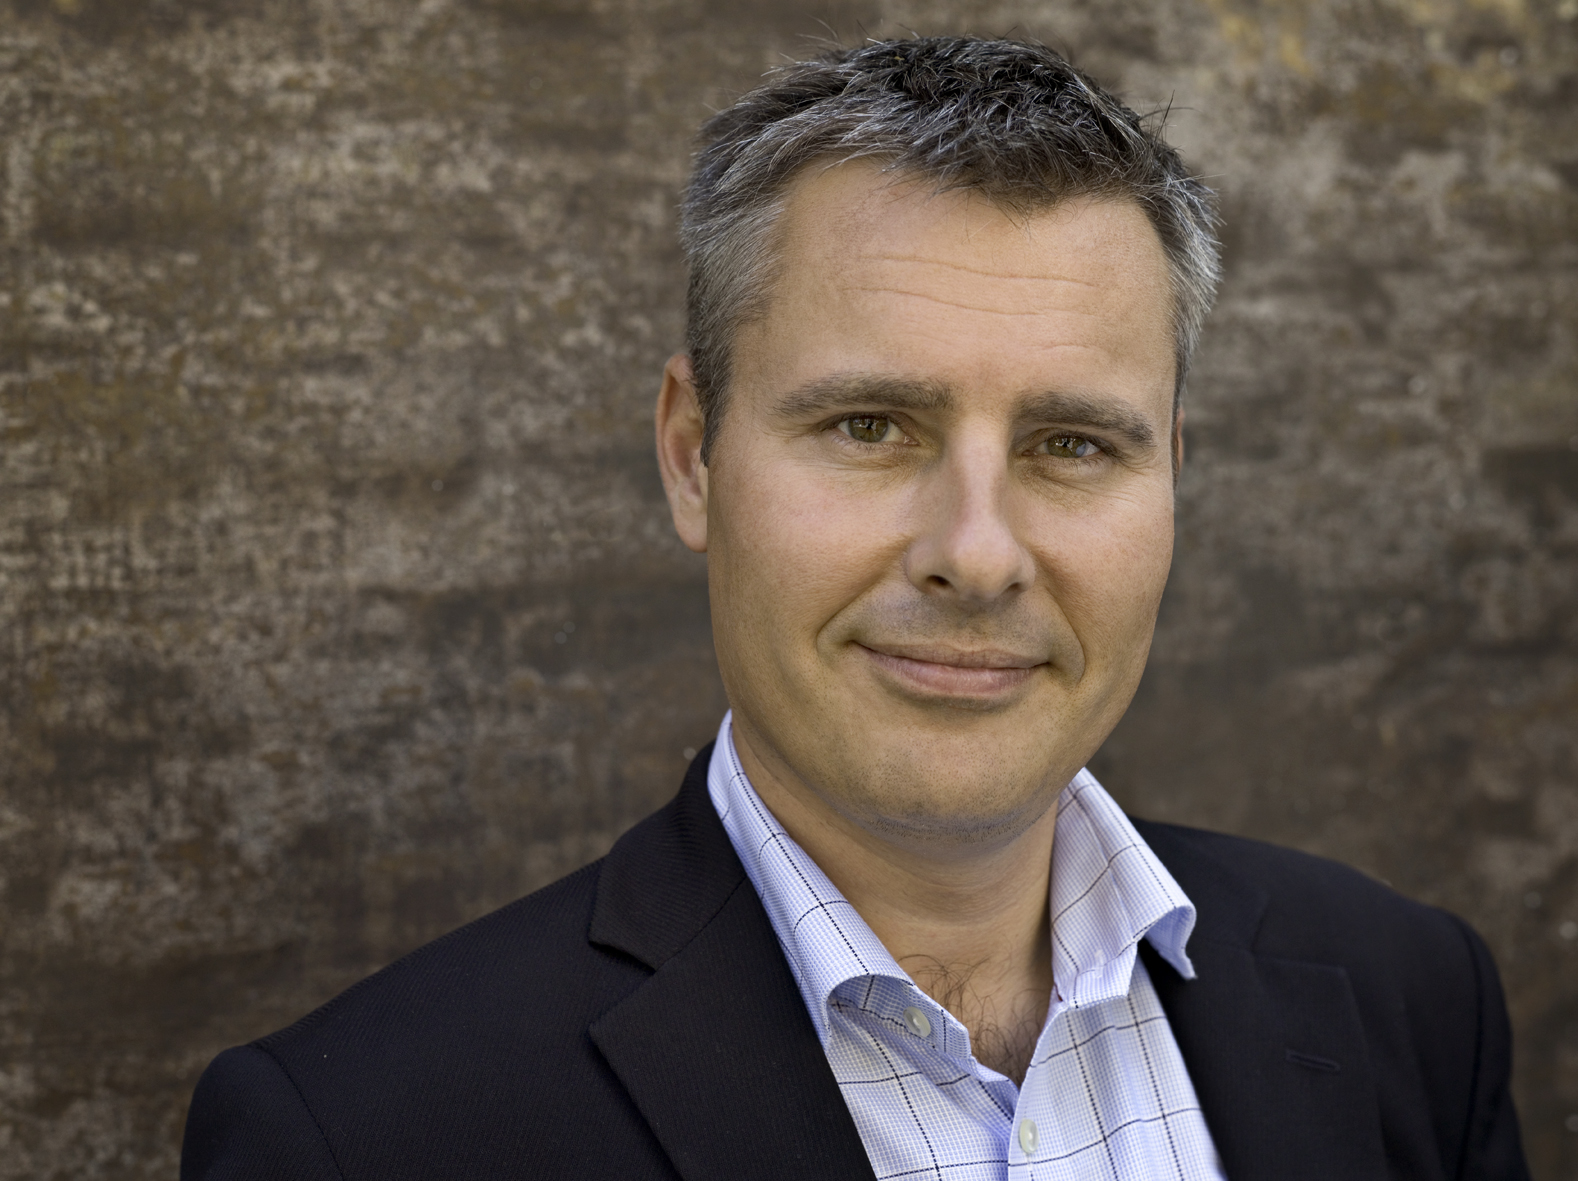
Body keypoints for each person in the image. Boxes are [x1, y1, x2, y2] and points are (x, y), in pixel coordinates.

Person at [181, 37, 1529, 1181]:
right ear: (693, 455)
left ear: (1172, 473)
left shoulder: (1410, 1004)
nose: (977, 556)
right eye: (871, 425)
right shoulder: (367, 1135)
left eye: (1071, 444)